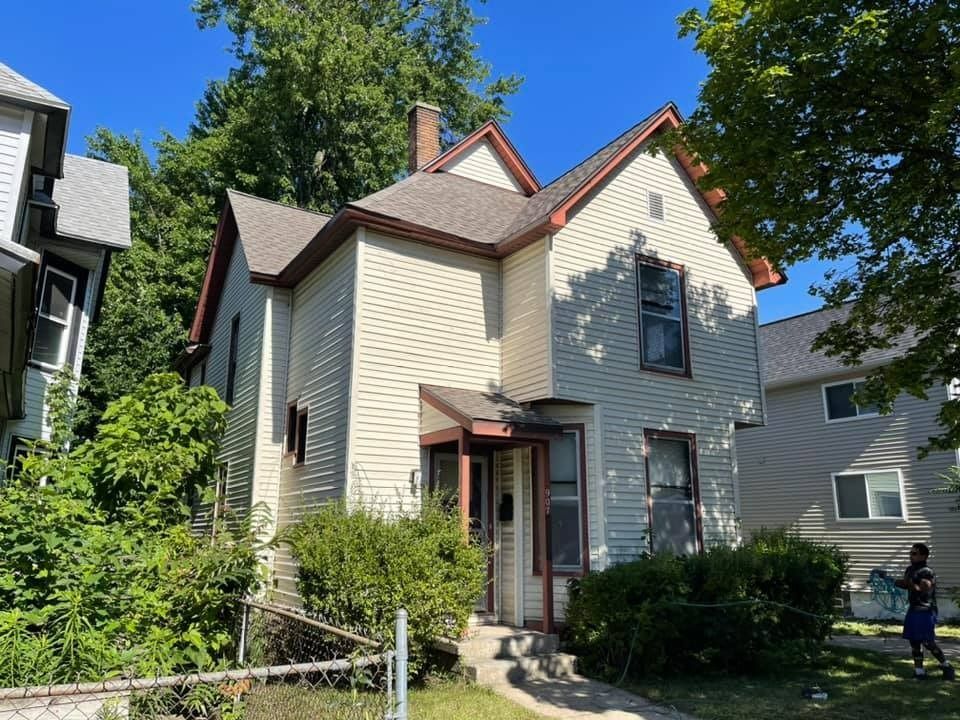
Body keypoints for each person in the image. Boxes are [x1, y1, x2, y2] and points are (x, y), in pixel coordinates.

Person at [895, 543, 955, 680]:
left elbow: (924, 588)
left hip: (926, 609)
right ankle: (919, 672)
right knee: (914, 641)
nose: (911, 556)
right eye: (910, 553)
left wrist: (908, 583)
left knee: (927, 641)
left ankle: (946, 666)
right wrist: (895, 582)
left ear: (923, 556)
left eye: (914, 553)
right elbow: (907, 584)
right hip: (913, 608)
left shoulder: (927, 571)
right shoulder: (910, 569)